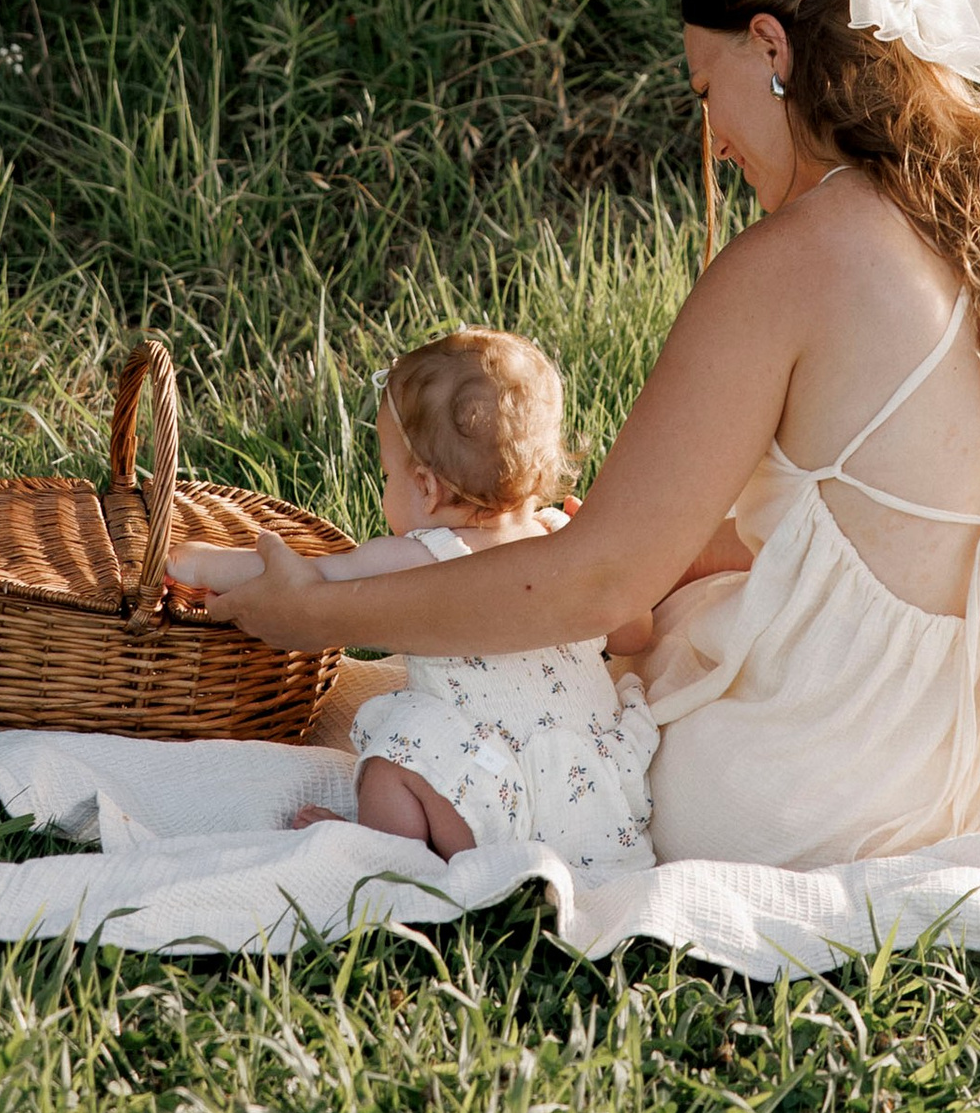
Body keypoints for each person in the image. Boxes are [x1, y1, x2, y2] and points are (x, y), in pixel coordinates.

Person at [196, 0, 980, 869]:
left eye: (703, 89)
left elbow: (596, 585)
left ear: (770, 47)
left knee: (563, 699)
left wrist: (314, 615)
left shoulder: (794, 259)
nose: (710, 137)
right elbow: (897, 517)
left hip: (826, 798)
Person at [169, 327, 657, 870]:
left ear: (425, 487)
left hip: (486, 811)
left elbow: (304, 577)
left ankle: (388, 854)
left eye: (384, 475)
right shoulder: (562, 542)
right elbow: (635, 632)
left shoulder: (425, 555)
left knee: (394, 758)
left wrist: (193, 560)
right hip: (596, 806)